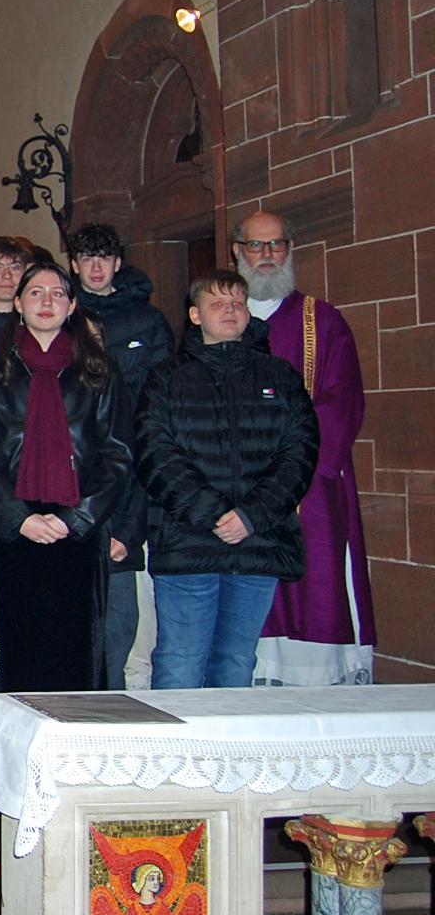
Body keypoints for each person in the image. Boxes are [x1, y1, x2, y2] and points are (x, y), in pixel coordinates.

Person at [138, 270, 318, 689]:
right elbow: (155, 455)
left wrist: (251, 516)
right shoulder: (166, 378)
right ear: (195, 315)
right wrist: (215, 515)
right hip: (188, 543)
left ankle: (225, 755)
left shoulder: (280, 376)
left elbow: (300, 453)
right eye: (217, 303)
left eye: (237, 302)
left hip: (257, 542)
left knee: (236, 664)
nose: (230, 311)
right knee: (180, 661)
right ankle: (174, 755)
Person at [0, 262, 132, 692]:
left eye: (57, 294)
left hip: (78, 528)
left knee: (79, 656)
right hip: (14, 531)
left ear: (72, 305)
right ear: (18, 304)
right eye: (36, 293)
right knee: (17, 657)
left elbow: (117, 454)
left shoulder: (100, 373)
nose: (47, 302)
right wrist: (19, 518)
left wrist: (75, 519)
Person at [233, 212, 376, 687]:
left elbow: (342, 399)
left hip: (309, 482)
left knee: (318, 582)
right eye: (256, 246)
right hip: (239, 485)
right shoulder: (222, 318)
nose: (267, 256)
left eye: (276, 245)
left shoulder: (323, 320)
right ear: (237, 252)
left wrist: (288, 462)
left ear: (289, 249)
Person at [69, 222, 174, 689]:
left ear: (117, 263)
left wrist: (134, 523)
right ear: (74, 264)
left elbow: (162, 398)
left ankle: (113, 704)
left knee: (122, 624)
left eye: (104, 258)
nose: (95, 267)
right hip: (73, 479)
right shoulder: (61, 315)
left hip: (129, 477)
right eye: (86, 259)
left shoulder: (147, 321)